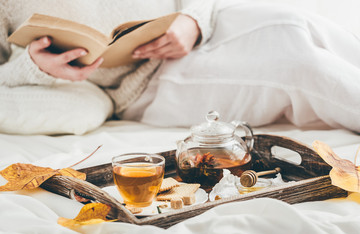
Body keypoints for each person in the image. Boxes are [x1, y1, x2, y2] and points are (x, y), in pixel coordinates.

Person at [1, 0, 360, 135]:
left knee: (295, 24)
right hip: (149, 79)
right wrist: (35, 67)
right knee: (299, 67)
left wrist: (191, 20)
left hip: (206, 21)